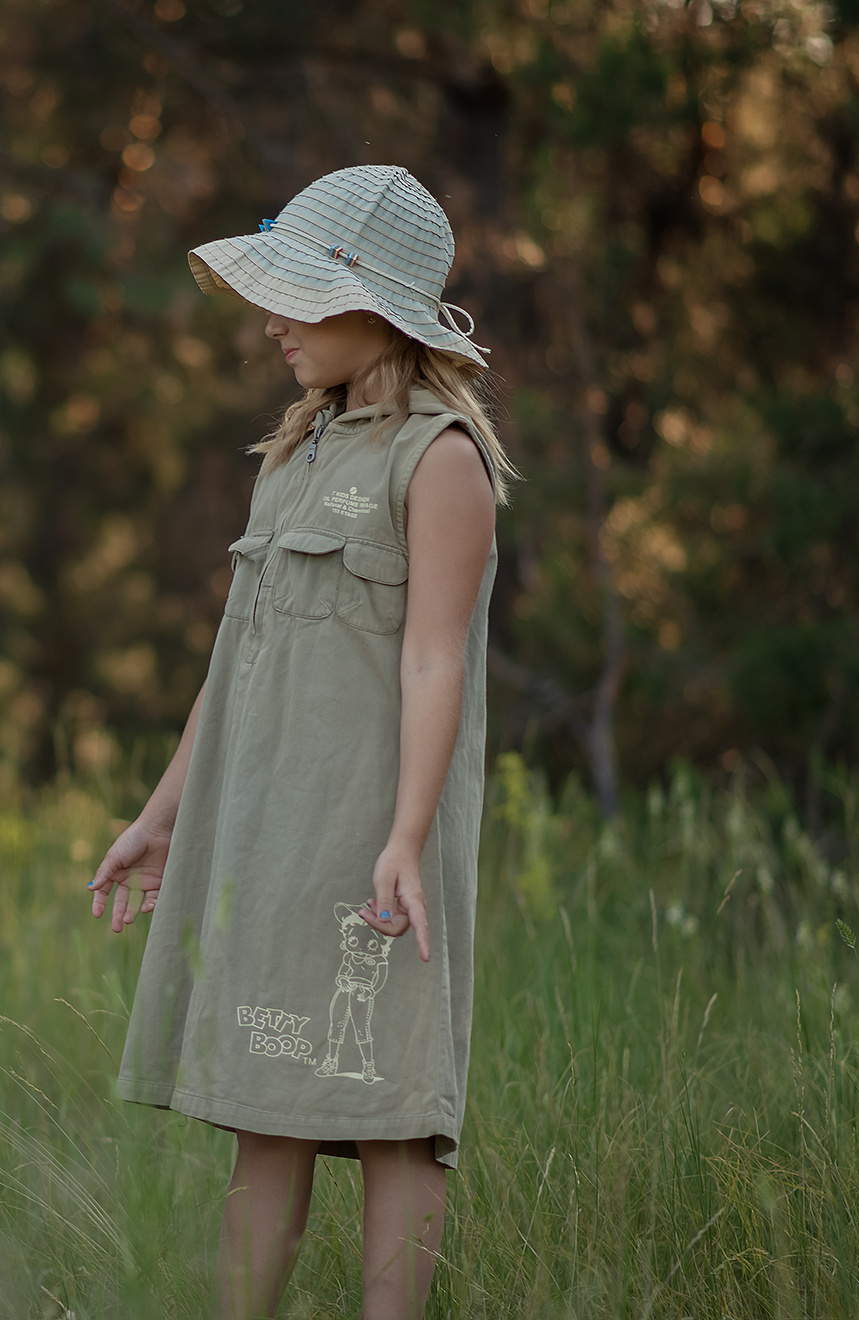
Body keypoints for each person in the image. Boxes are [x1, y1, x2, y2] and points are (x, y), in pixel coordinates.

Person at [87, 165, 516, 1320]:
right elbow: (236, 662)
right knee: (264, 1106)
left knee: (391, 1116)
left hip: (374, 835)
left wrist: (406, 836)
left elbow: (434, 662)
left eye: (292, 295)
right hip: (269, 832)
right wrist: (159, 815)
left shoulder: (439, 461)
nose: (268, 320)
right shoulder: (293, 454)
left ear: (369, 300)